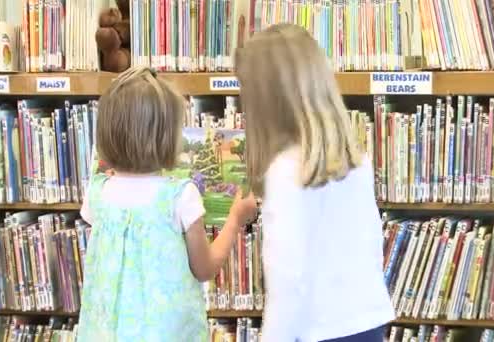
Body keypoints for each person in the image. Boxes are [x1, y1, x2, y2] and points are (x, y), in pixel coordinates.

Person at [234, 23, 394, 342]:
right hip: (367, 320)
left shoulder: (284, 172)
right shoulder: (356, 160)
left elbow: (287, 281)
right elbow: (371, 247)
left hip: (317, 330)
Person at [76, 67, 258, 341]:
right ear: (166, 137)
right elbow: (204, 269)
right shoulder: (180, 196)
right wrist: (234, 219)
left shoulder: (97, 192)